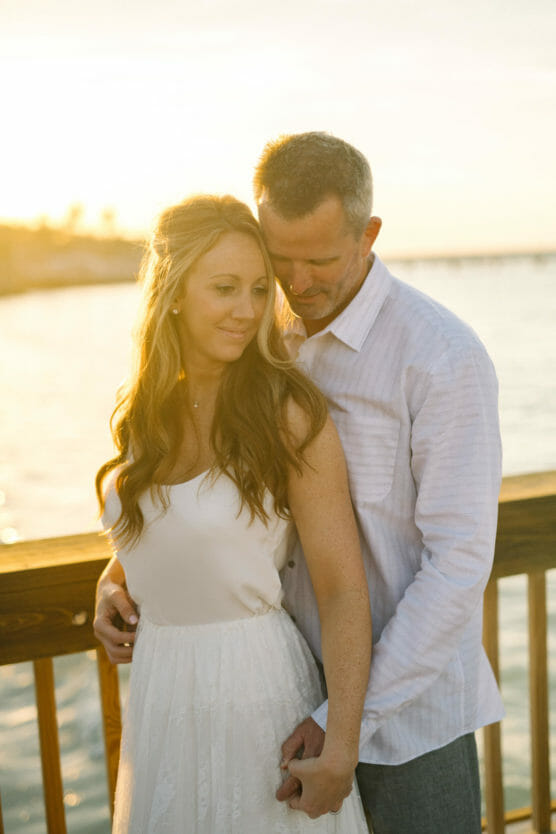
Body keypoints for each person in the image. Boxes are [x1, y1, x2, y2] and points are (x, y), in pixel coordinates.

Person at [96, 133, 505, 833]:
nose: (294, 285)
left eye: (319, 260)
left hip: (409, 717)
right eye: (277, 262)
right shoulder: (263, 334)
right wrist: (124, 573)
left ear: (368, 233)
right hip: (278, 698)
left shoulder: (440, 357)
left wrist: (346, 720)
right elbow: (224, 507)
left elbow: (458, 566)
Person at [95, 193, 372, 833]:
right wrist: (112, 580)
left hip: (256, 698)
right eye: (224, 288)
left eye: (256, 289)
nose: (247, 311)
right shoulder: (146, 413)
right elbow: (172, 535)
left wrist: (342, 745)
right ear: (172, 292)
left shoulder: (287, 411)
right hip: (164, 697)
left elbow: (342, 591)